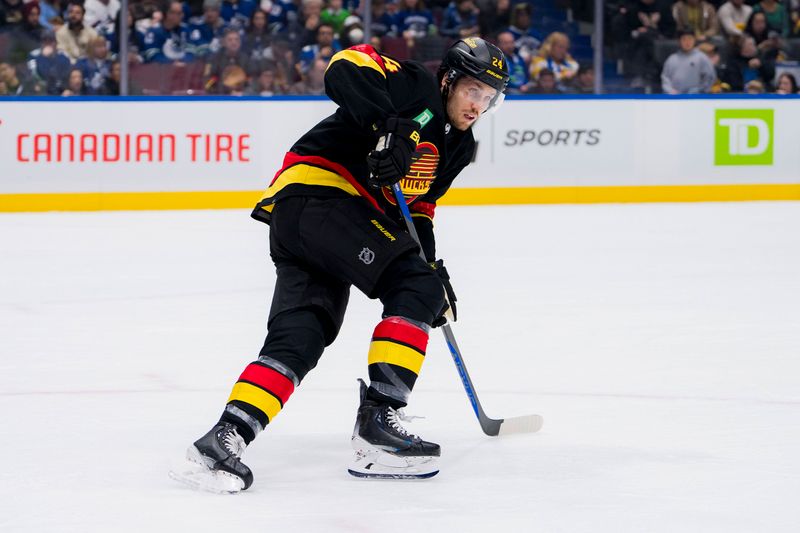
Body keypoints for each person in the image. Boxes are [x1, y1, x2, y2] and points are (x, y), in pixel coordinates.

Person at [169, 37, 510, 493]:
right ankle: (380, 423)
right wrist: (384, 126)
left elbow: (419, 208)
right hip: (323, 196)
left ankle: (225, 437)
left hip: (309, 221)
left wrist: (432, 266)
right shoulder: (416, 88)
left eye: (489, 98)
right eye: (472, 90)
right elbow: (346, 65)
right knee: (414, 287)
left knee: (303, 335)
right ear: (447, 80)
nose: (478, 105)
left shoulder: (458, 148)